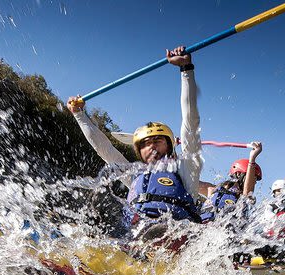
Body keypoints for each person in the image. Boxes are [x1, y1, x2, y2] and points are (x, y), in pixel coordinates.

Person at [67, 45, 202, 240]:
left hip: (176, 239)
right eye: (145, 144)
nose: (152, 146)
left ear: (170, 146)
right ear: (139, 151)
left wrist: (185, 70)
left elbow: (190, 123)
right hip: (138, 240)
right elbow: (104, 149)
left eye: (157, 141)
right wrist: (79, 115)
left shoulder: (186, 170)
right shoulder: (133, 176)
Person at [199, 142, 263, 223]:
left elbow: (247, 192)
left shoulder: (243, 197)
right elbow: (189, 183)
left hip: (227, 233)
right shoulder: (212, 190)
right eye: (253, 178)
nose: (255, 183)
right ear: (239, 174)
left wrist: (252, 159)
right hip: (203, 229)